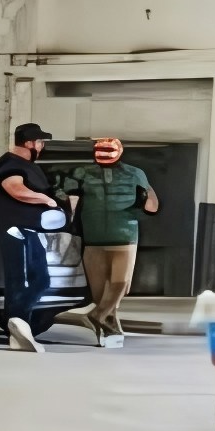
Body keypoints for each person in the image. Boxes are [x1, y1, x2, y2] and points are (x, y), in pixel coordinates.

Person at [64, 134, 159, 349]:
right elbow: (152, 205)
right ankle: (108, 329)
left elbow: (71, 201)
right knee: (110, 288)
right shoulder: (131, 174)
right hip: (109, 235)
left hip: (110, 235)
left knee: (113, 286)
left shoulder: (85, 173)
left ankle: (96, 316)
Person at [0, 120, 68, 352]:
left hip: (30, 231)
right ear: (30, 143)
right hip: (16, 231)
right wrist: (46, 200)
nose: (42, 146)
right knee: (19, 282)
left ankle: (17, 324)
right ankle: (16, 323)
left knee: (41, 280)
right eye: (40, 141)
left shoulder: (27, 164)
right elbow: (15, 189)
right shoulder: (10, 164)